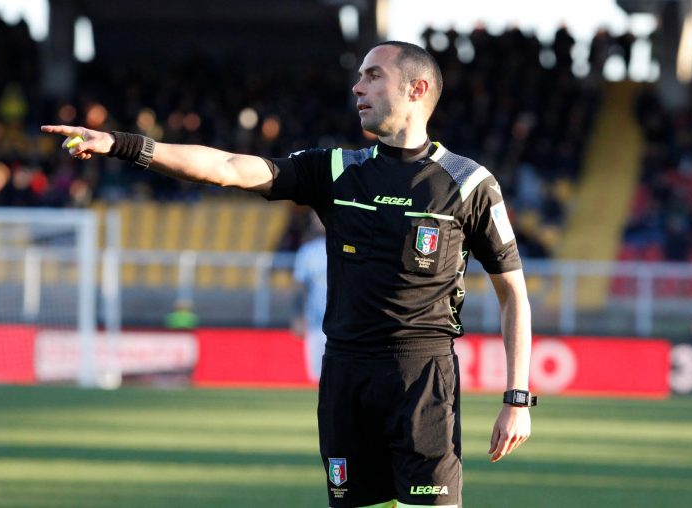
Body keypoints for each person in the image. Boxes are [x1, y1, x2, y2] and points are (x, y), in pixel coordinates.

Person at [42, 40, 535, 508]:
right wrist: (123, 144)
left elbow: (513, 293)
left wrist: (517, 398)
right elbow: (229, 167)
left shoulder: (469, 184)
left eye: (373, 76)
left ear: (416, 89)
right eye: (359, 77)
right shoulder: (336, 170)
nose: (357, 87)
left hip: (422, 378)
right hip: (344, 377)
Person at [292, 211, 328, 382]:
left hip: (343, 324)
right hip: (315, 322)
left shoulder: (350, 247)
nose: (318, 222)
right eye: (315, 218)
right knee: (316, 376)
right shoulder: (308, 251)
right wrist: (298, 316)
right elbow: (299, 287)